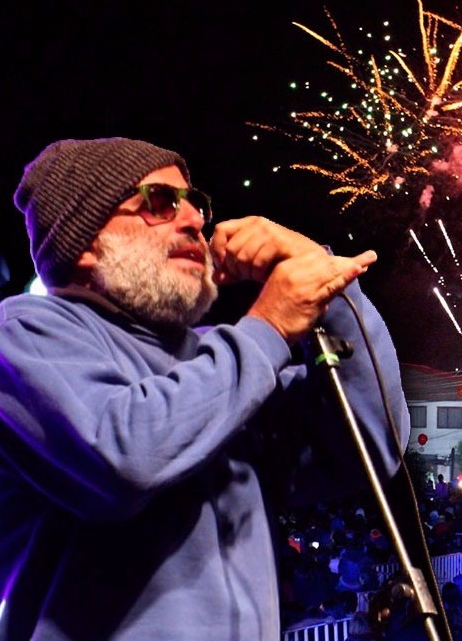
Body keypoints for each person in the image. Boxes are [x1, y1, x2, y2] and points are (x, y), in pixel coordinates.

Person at [0, 137, 410, 640]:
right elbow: (123, 457)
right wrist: (269, 329)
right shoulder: (23, 332)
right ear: (85, 241)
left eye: (196, 202)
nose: (195, 219)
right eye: (160, 202)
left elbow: (370, 445)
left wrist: (333, 291)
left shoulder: (217, 358)